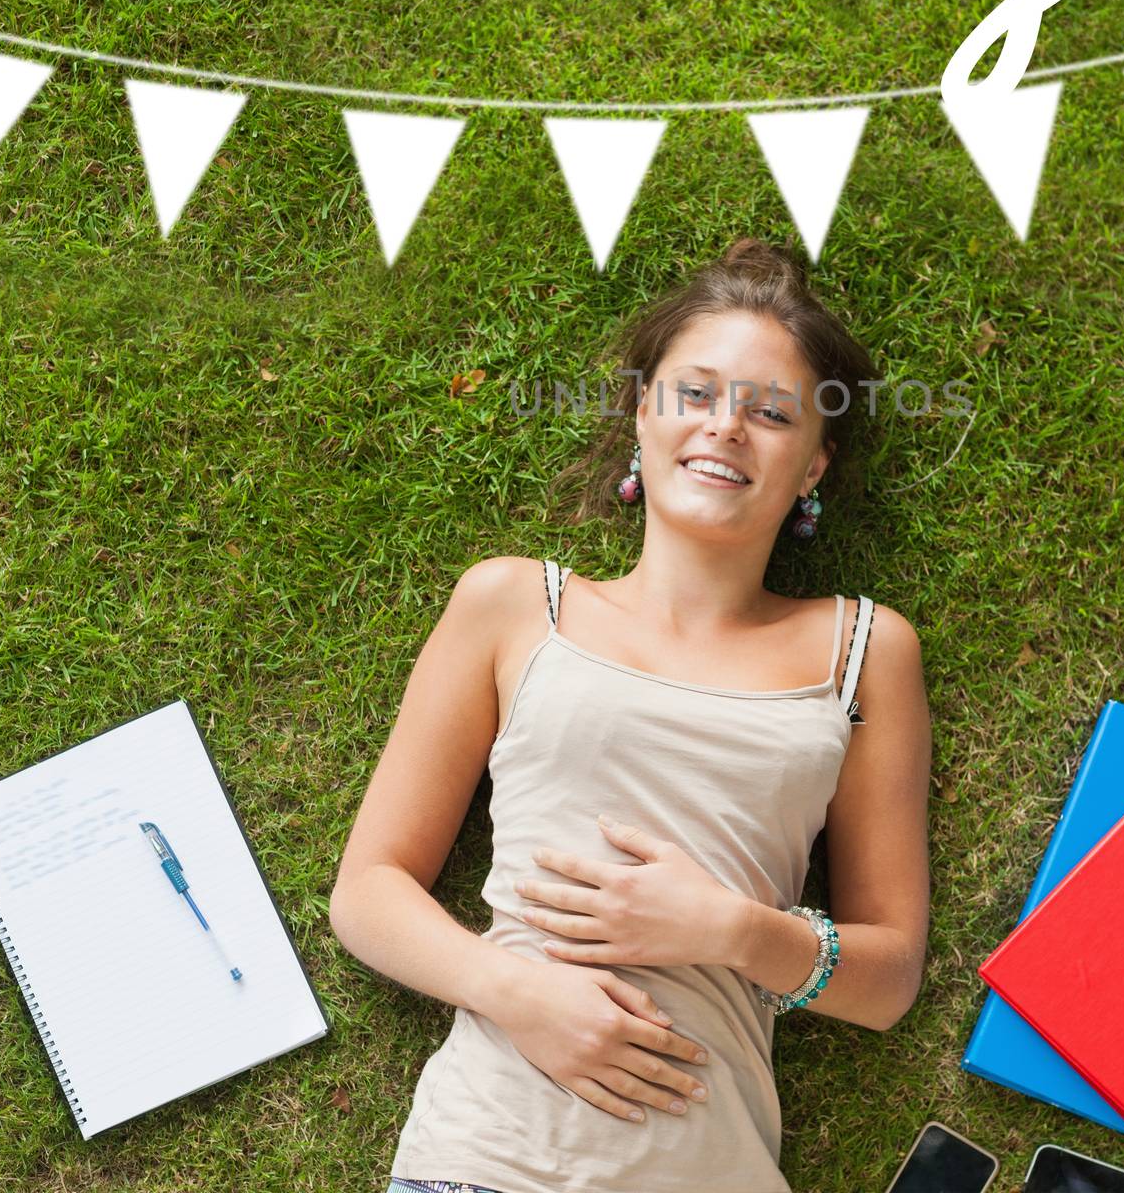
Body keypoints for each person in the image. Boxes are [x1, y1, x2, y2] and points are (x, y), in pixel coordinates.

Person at [329, 238, 933, 1193]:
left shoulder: (865, 653)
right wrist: (518, 993)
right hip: (488, 1161)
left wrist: (732, 931)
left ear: (812, 467)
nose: (727, 427)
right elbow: (368, 889)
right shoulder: (512, 605)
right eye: (695, 394)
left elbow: (890, 979)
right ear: (641, 414)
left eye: (771, 412)